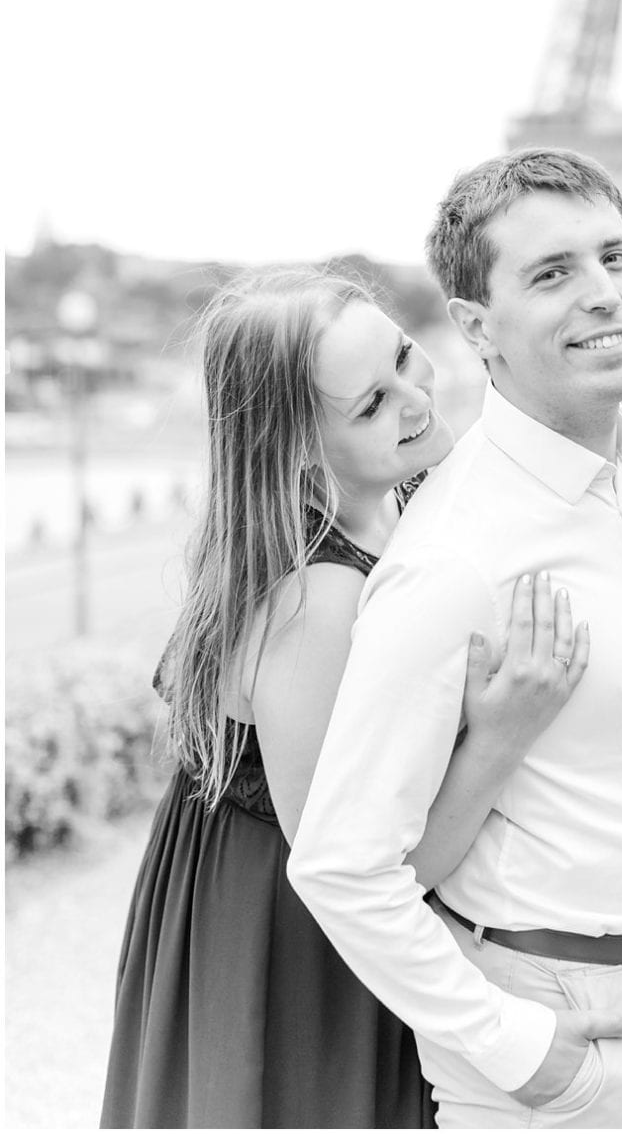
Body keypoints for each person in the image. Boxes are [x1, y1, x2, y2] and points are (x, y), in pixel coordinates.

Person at [102, 269, 591, 1127]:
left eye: (406, 358)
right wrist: (502, 734)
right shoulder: (317, 602)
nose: (415, 398)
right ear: (296, 445)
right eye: (370, 404)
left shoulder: (394, 516)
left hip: (273, 928)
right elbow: (368, 867)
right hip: (292, 956)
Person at [289, 147, 622, 1128]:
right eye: (553, 272)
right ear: (478, 326)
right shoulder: (458, 552)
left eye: (615, 256)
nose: (605, 294)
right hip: (541, 1017)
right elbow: (342, 861)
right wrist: (511, 1045)